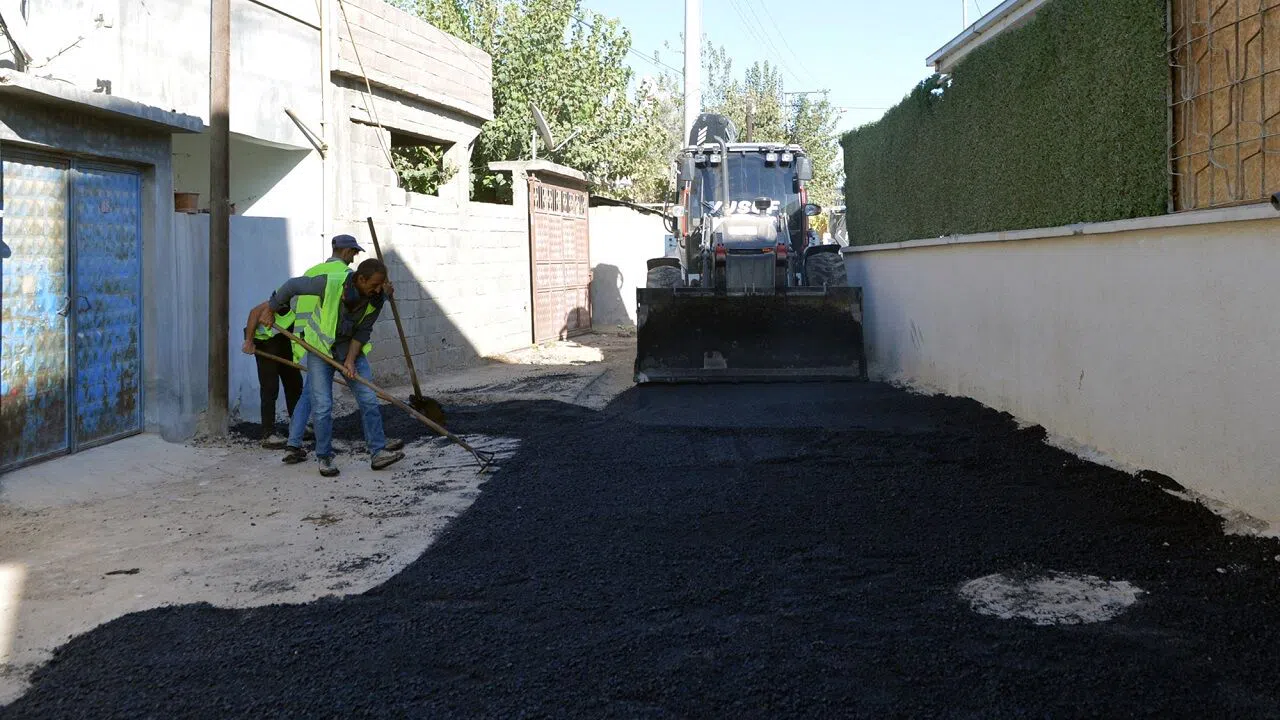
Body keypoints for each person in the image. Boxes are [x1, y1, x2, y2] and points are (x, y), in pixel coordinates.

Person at [253, 258, 404, 477]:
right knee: (322, 406)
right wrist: (272, 308)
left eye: (380, 285)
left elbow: (363, 332)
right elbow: (293, 286)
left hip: (349, 351)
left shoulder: (376, 299)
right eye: (374, 284)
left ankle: (378, 452)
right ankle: (324, 457)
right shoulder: (329, 284)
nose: (379, 289)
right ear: (360, 279)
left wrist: (350, 360)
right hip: (320, 351)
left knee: (369, 399)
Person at [240, 299, 303, 448]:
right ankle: (268, 434)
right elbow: (254, 312)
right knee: (270, 388)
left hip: (284, 341)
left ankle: (297, 426)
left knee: (294, 384)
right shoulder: (290, 299)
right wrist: (249, 341)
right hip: (265, 343)